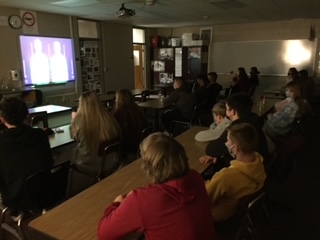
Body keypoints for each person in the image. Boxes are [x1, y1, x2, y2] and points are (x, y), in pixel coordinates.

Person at [98, 133, 218, 240]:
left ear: (148, 167)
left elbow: (104, 234)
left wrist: (117, 204)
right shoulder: (196, 178)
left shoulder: (143, 200)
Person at [0, 97, 53, 217]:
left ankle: (17, 213)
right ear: (26, 115)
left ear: (2, 119)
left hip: (15, 197)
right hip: (44, 192)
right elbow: (49, 162)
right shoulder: (40, 135)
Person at [206, 123, 266, 222]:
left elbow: (205, 198)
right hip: (241, 215)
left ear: (235, 147)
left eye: (228, 140)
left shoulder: (225, 177)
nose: (227, 143)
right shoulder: (258, 162)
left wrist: (206, 183)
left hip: (220, 219)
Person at [199, 93, 269, 169]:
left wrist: (215, 153)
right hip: (258, 167)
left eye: (226, 107)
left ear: (232, 111)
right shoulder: (253, 121)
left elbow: (211, 149)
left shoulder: (237, 129)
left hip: (244, 171)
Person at [71, 91, 122, 175]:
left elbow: (73, 137)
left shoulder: (78, 121)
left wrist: (73, 120)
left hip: (90, 164)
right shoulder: (108, 117)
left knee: (67, 155)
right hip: (112, 161)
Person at [113, 89, 150, 159]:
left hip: (128, 146)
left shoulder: (118, 114)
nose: (115, 100)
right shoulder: (138, 109)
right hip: (141, 143)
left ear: (119, 100)